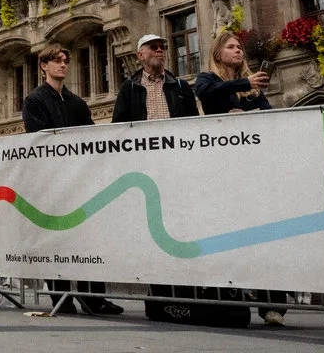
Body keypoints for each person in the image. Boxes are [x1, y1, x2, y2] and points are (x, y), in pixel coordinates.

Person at [21, 46, 123, 316]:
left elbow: (89, 137)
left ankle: (94, 297)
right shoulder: (34, 100)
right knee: (57, 237)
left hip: (79, 180)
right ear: (43, 66)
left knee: (88, 236)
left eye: (65, 61)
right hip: (50, 179)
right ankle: (60, 295)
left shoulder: (76, 102)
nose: (63, 65)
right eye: (57, 61)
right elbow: (38, 138)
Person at [195, 32, 286, 326]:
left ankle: (273, 305)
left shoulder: (252, 87)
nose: (238, 51)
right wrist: (243, 87)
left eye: (240, 48)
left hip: (254, 169)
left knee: (265, 233)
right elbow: (205, 93)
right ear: (218, 52)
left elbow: (267, 113)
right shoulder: (208, 78)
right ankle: (230, 298)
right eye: (231, 47)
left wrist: (246, 109)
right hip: (223, 170)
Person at [111, 34, 199, 122]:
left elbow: (195, 122)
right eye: (153, 47)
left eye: (163, 47)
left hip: (176, 135)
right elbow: (118, 125)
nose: (159, 50)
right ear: (140, 55)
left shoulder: (181, 86)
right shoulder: (130, 88)